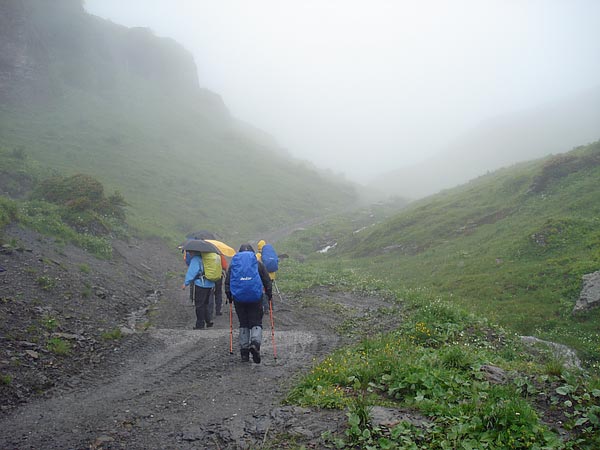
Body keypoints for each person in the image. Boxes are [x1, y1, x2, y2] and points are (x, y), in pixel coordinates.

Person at [225, 244, 272, 363]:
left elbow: (227, 282)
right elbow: (267, 280)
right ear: (252, 253)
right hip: (255, 297)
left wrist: (230, 297)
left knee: (243, 323)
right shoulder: (257, 264)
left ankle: (244, 353)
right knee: (256, 322)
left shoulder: (234, 265)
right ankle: (255, 344)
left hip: (239, 298)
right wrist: (269, 295)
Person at [182, 250, 215, 329]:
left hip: (201, 284)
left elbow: (192, 272)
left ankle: (200, 324)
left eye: (190, 252)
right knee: (206, 303)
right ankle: (208, 321)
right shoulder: (208, 257)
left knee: (199, 305)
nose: (189, 253)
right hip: (210, 284)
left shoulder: (196, 259)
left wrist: (185, 283)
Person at [256, 239, 278, 312]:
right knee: (269, 290)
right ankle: (272, 306)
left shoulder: (258, 255)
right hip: (271, 276)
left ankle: (266, 308)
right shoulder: (270, 254)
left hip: (262, 277)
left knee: (263, 291)